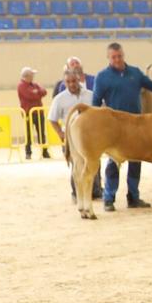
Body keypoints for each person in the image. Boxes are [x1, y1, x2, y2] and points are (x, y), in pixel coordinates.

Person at [90, 41, 152, 211]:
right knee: (113, 162)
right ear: (108, 58)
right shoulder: (102, 77)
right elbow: (96, 103)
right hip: (114, 127)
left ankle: (133, 197)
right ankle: (109, 198)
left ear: (123, 55)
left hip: (136, 125)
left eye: (119, 56)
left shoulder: (135, 73)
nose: (117, 60)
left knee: (136, 161)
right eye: (114, 57)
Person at [49, 65, 95, 202]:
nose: (71, 84)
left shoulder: (90, 95)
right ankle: (77, 193)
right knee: (76, 166)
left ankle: (95, 191)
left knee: (92, 163)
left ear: (79, 80)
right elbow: (52, 119)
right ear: (64, 82)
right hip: (70, 138)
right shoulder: (59, 99)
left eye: (74, 81)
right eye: (68, 82)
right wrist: (61, 134)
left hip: (90, 137)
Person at [18, 67, 51, 159]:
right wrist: (37, 93)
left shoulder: (34, 85)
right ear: (27, 76)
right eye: (32, 74)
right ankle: (28, 153)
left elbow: (44, 92)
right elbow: (29, 96)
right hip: (28, 113)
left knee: (41, 132)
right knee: (28, 133)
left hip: (39, 112)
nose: (33, 76)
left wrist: (37, 92)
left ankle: (45, 151)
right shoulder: (21, 85)